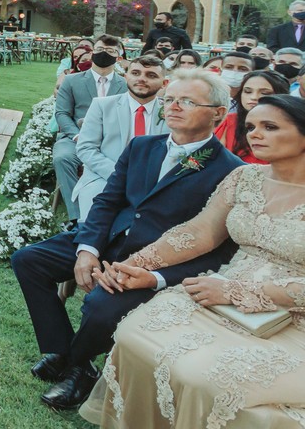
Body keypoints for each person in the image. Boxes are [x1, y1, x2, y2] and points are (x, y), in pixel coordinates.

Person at [12, 70, 242, 412]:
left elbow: (220, 249)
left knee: (100, 305)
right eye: (169, 99)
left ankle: (78, 368)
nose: (173, 106)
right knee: (29, 260)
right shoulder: (142, 146)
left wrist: (157, 277)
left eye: (187, 101)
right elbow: (108, 201)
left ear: (218, 113)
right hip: (109, 239)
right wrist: (87, 249)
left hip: (155, 262)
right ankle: (64, 352)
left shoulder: (230, 171)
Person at [82, 93, 305, 428]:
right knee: (131, 334)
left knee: (203, 376)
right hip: (217, 295)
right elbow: (199, 232)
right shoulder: (245, 177)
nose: (255, 135)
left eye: (269, 127)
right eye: (250, 127)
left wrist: (233, 292)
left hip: (291, 317)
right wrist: (138, 264)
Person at [71, 55, 168, 218]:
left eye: (151, 75)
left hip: (154, 182)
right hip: (105, 177)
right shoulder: (102, 105)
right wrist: (120, 175)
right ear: (125, 77)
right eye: (136, 73)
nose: (142, 79)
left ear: (164, 83)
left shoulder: (170, 112)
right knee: (96, 219)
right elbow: (86, 148)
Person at [53, 35, 128, 222]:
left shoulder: (125, 85)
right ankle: (78, 218)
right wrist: (77, 135)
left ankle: (110, 212)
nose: (104, 54)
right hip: (75, 138)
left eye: (110, 51)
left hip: (111, 141)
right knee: (62, 158)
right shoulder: (72, 81)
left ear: (118, 57)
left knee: (124, 164)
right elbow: (62, 113)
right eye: (100, 49)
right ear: (92, 52)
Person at [214, 70, 291, 164]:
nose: (254, 97)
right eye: (248, 91)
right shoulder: (228, 121)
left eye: (265, 93)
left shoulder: (292, 126)